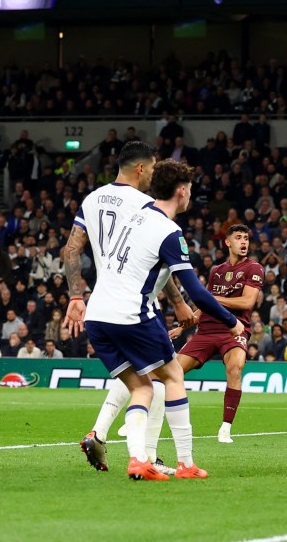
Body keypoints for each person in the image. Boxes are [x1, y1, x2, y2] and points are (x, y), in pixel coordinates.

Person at [83, 159, 244, 481]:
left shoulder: (136, 218)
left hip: (97, 315)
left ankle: (138, 460)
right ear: (182, 192)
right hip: (131, 314)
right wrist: (231, 321)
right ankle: (186, 463)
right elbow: (197, 292)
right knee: (171, 377)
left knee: (142, 387)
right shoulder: (170, 231)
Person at [63, 142, 196, 475]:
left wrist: (75, 297)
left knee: (139, 377)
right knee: (163, 378)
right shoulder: (146, 205)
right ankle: (149, 456)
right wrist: (179, 302)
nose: (153, 174)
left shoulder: (91, 199)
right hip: (136, 301)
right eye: (152, 168)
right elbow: (152, 258)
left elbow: (70, 252)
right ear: (141, 169)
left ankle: (105, 434)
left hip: (101, 302)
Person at [174, 224, 263, 443]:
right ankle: (142, 415)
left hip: (234, 329)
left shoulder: (254, 268)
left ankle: (225, 427)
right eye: (239, 238)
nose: (244, 242)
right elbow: (203, 306)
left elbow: (247, 302)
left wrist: (211, 298)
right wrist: (182, 326)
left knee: (235, 367)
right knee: (172, 371)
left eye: (246, 239)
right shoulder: (216, 271)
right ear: (228, 242)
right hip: (206, 330)